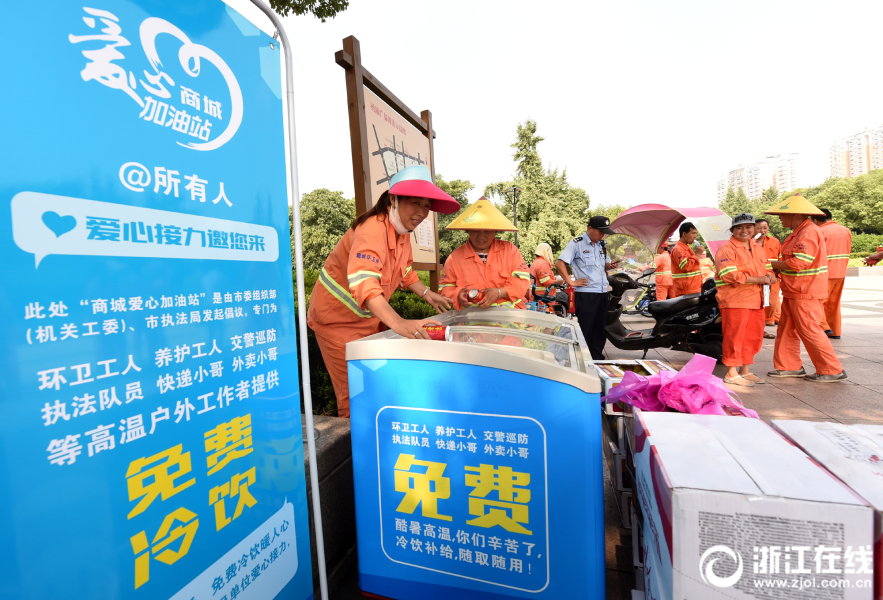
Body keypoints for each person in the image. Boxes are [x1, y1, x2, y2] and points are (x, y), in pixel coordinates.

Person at [307, 165, 460, 417]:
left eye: (426, 206)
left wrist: (426, 293)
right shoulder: (372, 231)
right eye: (415, 203)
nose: (422, 212)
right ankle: (358, 451)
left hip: (366, 320)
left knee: (374, 385)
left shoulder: (402, 231)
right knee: (353, 394)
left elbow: (405, 271)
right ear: (394, 199)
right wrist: (399, 323)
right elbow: (366, 285)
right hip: (335, 322)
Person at [765, 194, 847, 382]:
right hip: (795, 290)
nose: (779, 217)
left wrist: (770, 265)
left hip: (805, 291)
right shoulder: (800, 231)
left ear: (796, 214)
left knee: (809, 330)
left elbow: (799, 262)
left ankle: (831, 370)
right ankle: (789, 366)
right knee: (786, 329)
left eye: (782, 214)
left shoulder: (808, 232)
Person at [715, 214, 777, 387]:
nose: (744, 231)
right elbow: (730, 275)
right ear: (733, 230)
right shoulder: (726, 249)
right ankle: (731, 372)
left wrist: (770, 277)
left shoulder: (757, 247)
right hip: (735, 300)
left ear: (753, 229)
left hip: (756, 299)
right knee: (735, 337)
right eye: (739, 228)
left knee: (752, 337)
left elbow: (768, 268)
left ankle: (746, 371)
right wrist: (760, 280)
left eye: (748, 227)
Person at [439, 198, 531, 310]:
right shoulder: (455, 257)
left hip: (512, 318)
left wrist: (499, 292)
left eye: (487, 231)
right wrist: (457, 295)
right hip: (474, 321)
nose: (481, 236)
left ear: (495, 231)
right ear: (467, 230)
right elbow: (445, 287)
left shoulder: (509, 250)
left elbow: (524, 281)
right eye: (475, 230)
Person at [556, 216, 621, 360]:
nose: (602, 235)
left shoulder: (601, 244)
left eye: (604, 232)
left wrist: (610, 266)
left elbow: (603, 265)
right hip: (586, 294)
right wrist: (571, 282)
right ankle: (582, 359)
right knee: (586, 329)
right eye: (600, 232)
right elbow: (560, 263)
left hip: (603, 293)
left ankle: (596, 358)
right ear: (590, 229)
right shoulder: (576, 244)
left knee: (599, 330)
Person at [812, 208, 851, 339]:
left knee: (818, 302)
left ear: (815, 220)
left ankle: (824, 328)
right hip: (841, 272)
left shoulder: (819, 231)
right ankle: (835, 331)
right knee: (834, 303)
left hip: (824, 272)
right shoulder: (845, 230)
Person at [755, 218, 781, 330]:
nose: (762, 230)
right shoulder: (749, 243)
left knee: (771, 302)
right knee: (758, 302)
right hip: (756, 278)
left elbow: (780, 258)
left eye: (765, 228)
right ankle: (760, 328)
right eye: (759, 228)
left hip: (773, 277)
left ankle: (766, 324)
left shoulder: (774, 241)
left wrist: (778, 274)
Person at [670, 222, 703, 297]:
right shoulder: (678, 249)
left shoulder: (687, 248)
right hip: (686, 291)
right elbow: (686, 267)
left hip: (693, 288)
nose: (695, 236)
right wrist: (697, 254)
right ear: (684, 234)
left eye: (696, 234)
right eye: (693, 233)